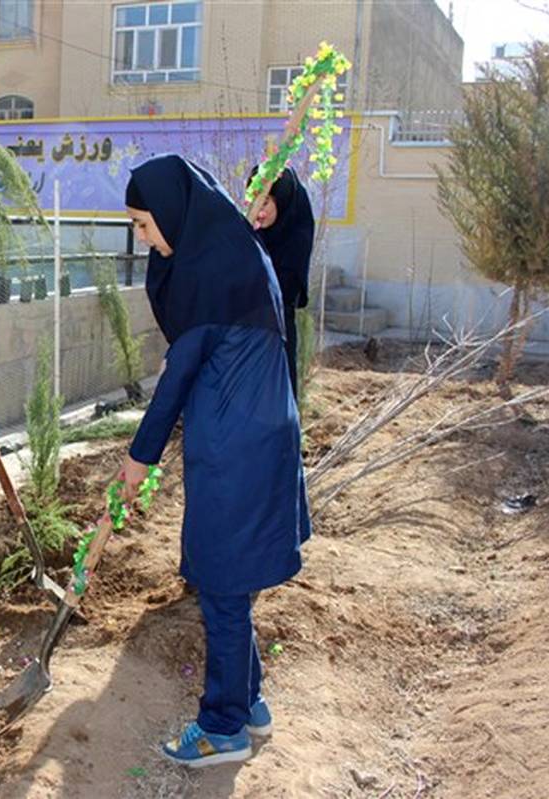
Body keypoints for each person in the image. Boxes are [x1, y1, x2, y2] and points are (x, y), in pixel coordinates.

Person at [118, 155, 311, 768]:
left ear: (174, 212)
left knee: (222, 587)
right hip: (258, 437)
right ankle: (248, 701)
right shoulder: (237, 258)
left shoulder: (210, 274)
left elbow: (178, 377)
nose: (143, 240)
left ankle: (222, 726)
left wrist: (138, 458)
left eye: (145, 226)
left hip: (236, 449)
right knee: (231, 584)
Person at [248, 166, 315, 400]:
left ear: (283, 201)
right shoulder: (253, 235)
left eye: (265, 201)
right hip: (246, 337)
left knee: (274, 400)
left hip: (276, 334)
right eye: (254, 199)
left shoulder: (294, 238)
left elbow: (283, 289)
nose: (258, 209)